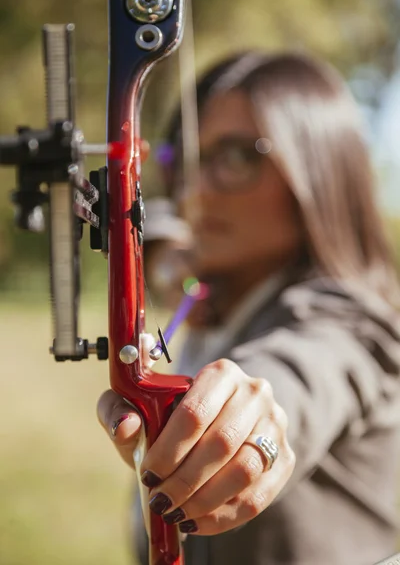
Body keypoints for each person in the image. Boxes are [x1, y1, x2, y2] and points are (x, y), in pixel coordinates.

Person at [97, 52, 400, 565]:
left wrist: (246, 421)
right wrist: (169, 261)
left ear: (315, 170)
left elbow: (306, 372)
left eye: (237, 157)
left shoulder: (351, 319)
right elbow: (167, 223)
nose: (199, 189)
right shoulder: (220, 290)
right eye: (184, 161)